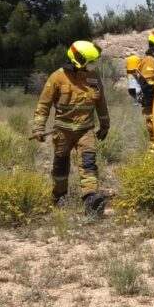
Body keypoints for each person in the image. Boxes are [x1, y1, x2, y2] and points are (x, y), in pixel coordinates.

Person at [32, 40, 110, 215]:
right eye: (90, 61)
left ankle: (91, 199)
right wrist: (38, 127)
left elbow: (101, 104)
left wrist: (105, 125)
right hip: (62, 131)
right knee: (60, 165)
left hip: (86, 130)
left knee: (88, 164)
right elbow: (44, 104)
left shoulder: (93, 77)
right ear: (79, 60)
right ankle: (59, 196)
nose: (93, 65)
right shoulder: (57, 77)